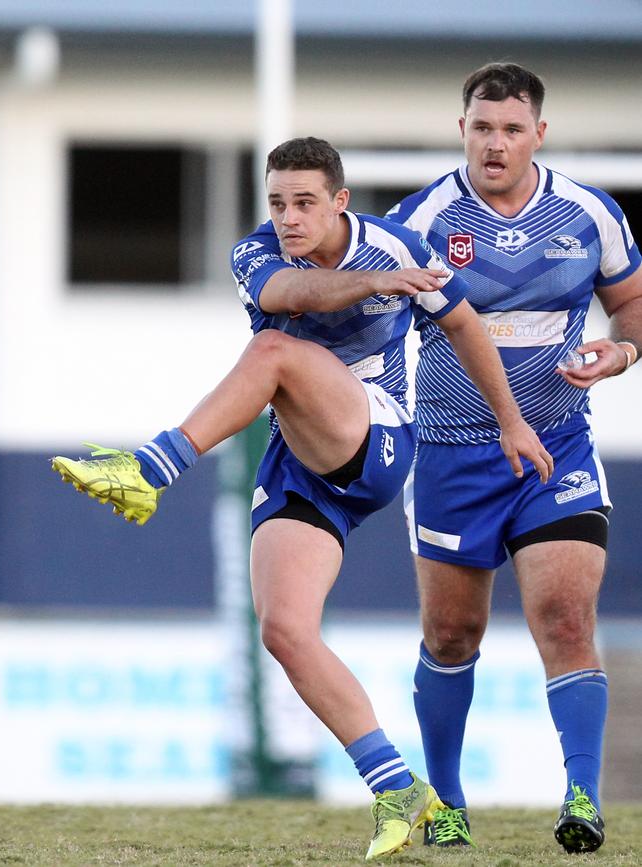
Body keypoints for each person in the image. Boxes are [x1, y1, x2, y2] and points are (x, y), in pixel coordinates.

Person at [52, 136, 552, 860]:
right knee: (284, 629)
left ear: (340, 202)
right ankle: (398, 790)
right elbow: (297, 294)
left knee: (272, 354)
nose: (288, 217)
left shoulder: (396, 244)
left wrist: (511, 420)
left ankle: (150, 469)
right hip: (303, 456)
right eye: (278, 202)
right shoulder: (257, 256)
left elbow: (465, 324)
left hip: (376, 436)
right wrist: (380, 284)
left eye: (305, 203)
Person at [386, 63, 642, 854]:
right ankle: (450, 802)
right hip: (452, 457)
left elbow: (632, 300)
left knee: (566, 619)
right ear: (460, 129)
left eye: (511, 128)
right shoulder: (423, 217)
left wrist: (621, 348)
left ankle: (582, 799)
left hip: (556, 447)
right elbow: (370, 302)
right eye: (481, 127)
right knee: (453, 634)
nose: (495, 143)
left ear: (539, 133)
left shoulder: (587, 214)